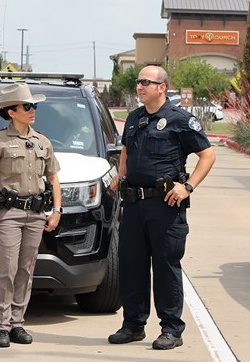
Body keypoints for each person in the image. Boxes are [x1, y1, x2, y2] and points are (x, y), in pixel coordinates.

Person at [107, 65, 216, 350]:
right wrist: (121, 176)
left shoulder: (179, 119)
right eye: (138, 82)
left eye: (146, 82)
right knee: (132, 266)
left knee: (166, 266)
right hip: (133, 204)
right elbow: (126, 151)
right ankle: (133, 325)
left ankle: (171, 329)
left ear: (162, 87)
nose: (139, 86)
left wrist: (187, 186)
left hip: (165, 206)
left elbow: (207, 155)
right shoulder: (134, 118)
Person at [0, 83, 62, 348]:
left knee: (26, 269)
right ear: (11, 112)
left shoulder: (42, 141)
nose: (32, 110)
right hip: (9, 214)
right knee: (7, 269)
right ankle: (1, 326)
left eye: (33, 105)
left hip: (36, 214)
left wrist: (57, 209)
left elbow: (54, 176)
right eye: (26, 106)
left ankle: (17, 324)